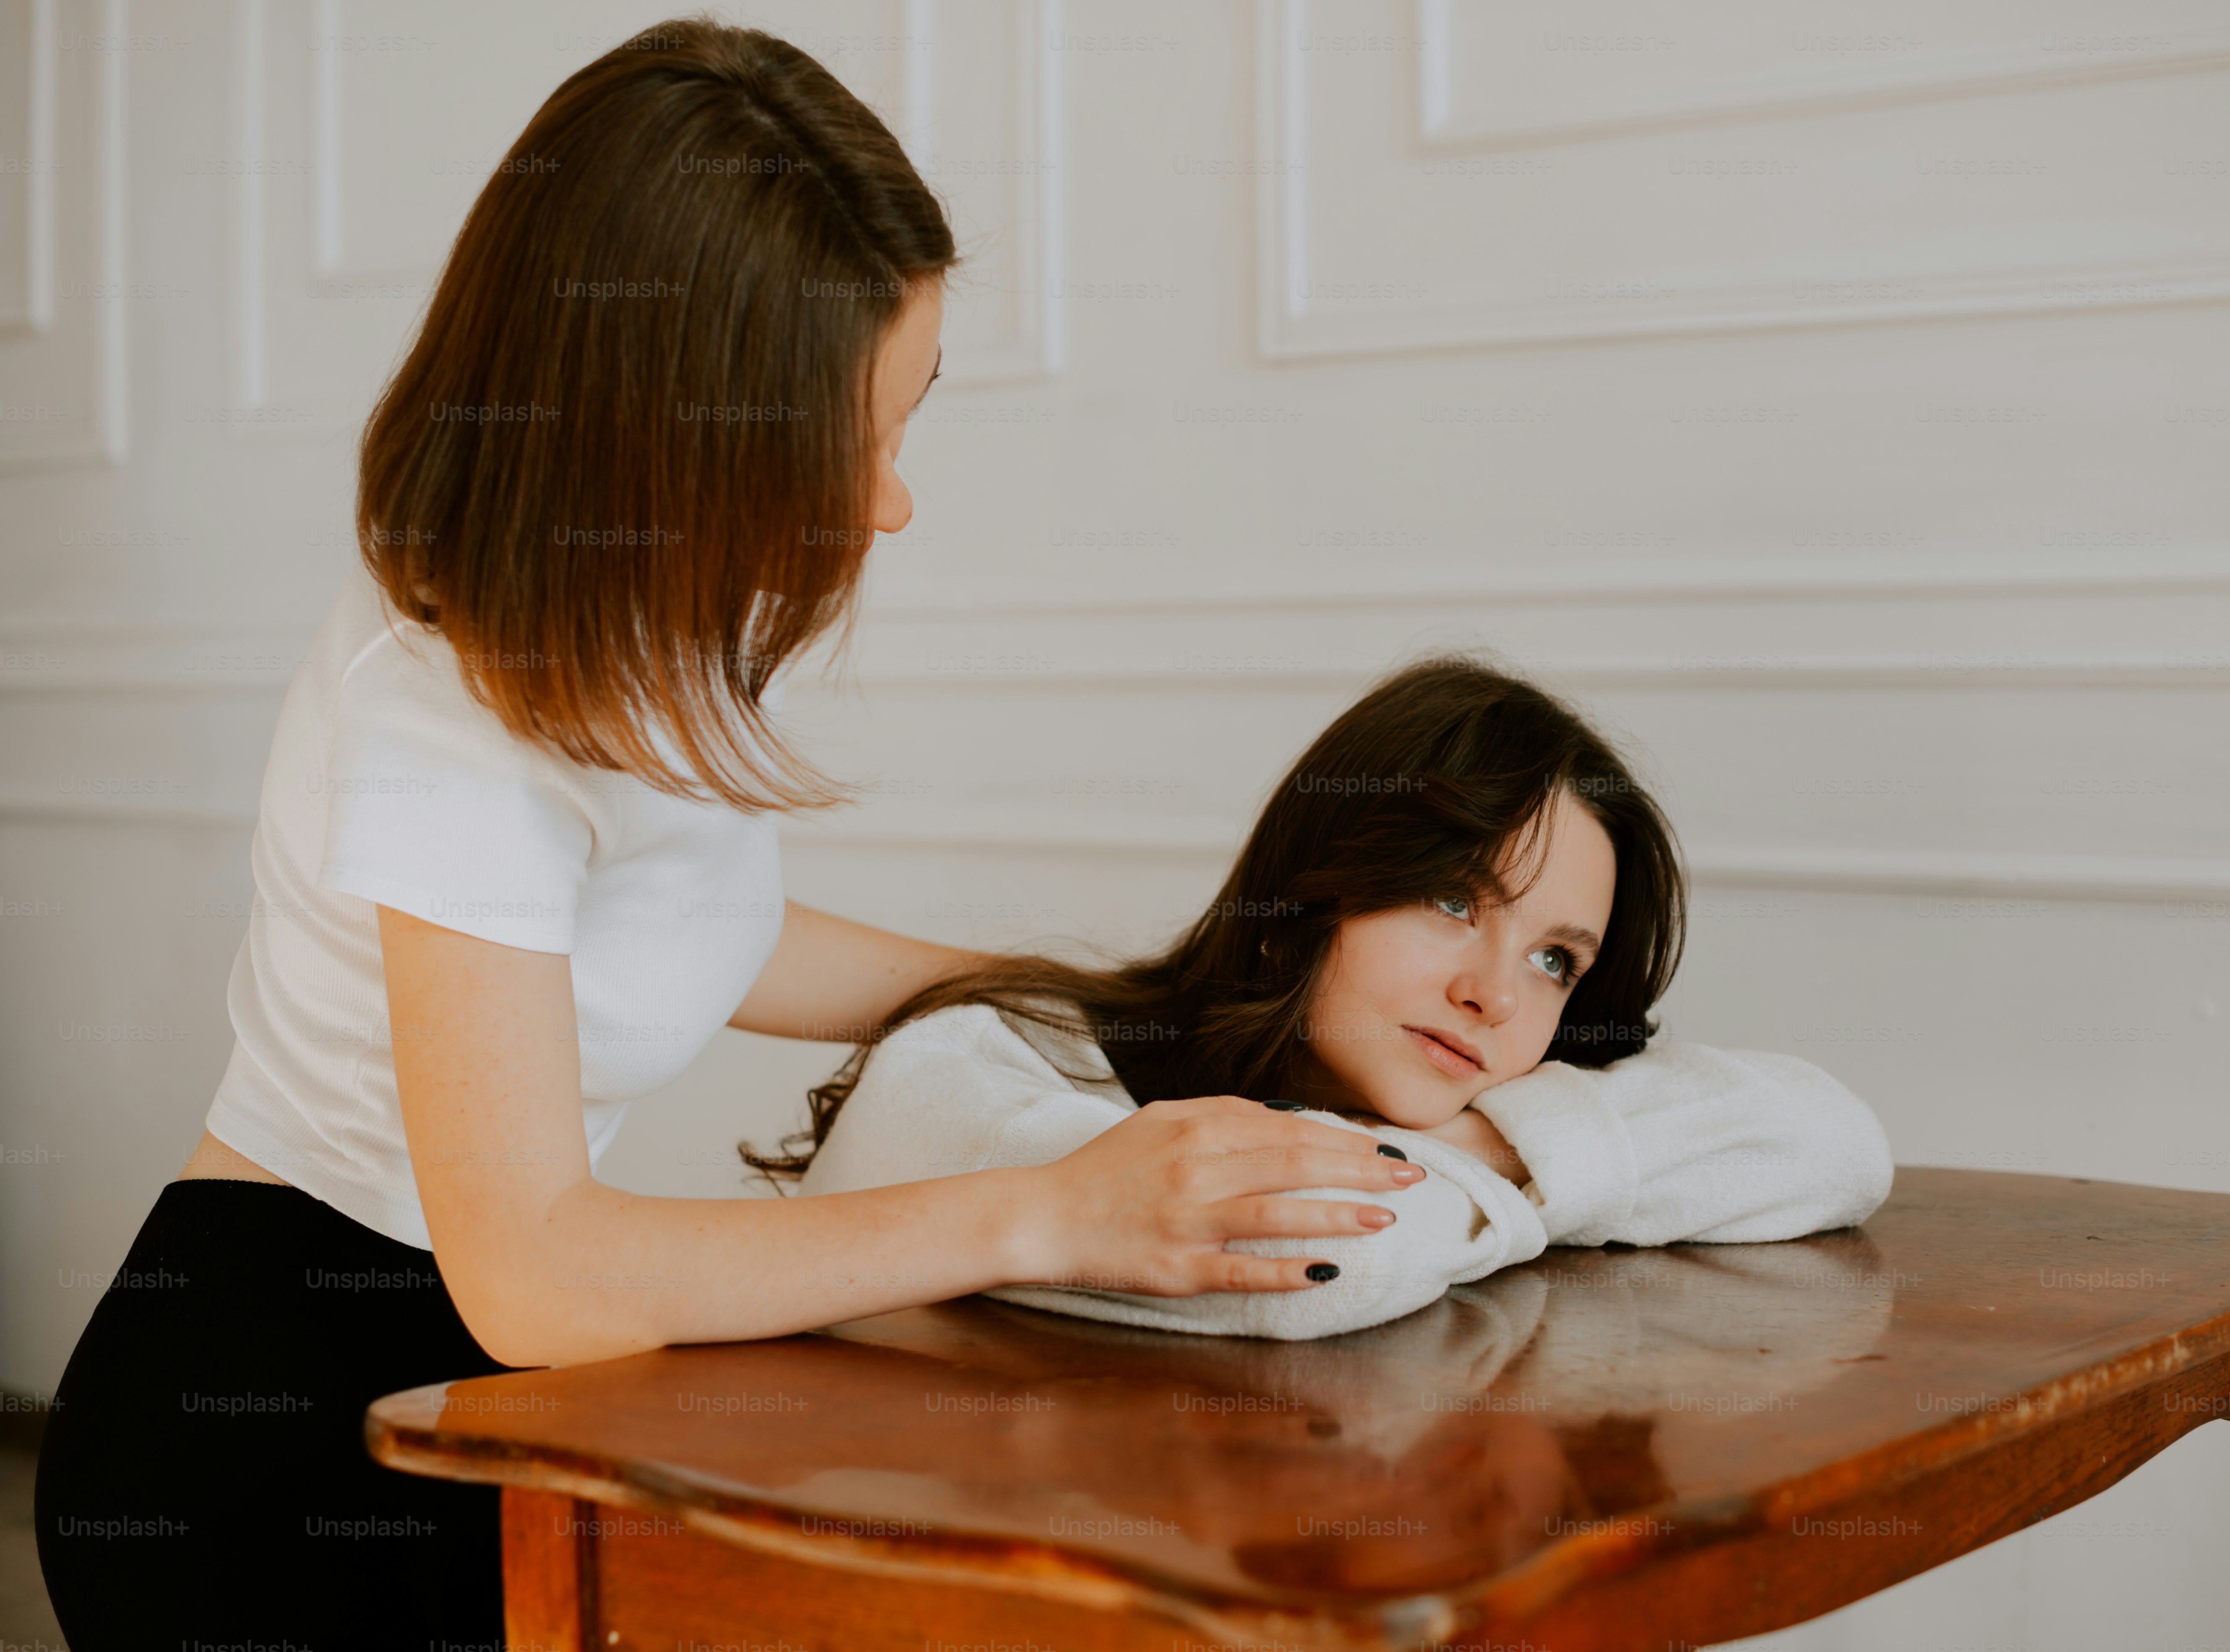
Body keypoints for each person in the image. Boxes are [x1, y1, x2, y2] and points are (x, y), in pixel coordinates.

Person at [34, 21, 1413, 1648]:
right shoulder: (443, 711)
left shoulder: (621, 606)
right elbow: (535, 1268)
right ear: (673, 423)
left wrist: (1109, 1002)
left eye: (913, 418)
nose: (892, 502)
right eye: (854, 442)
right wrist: (1058, 1210)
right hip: (265, 1422)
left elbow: (700, 934)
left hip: (466, 1367)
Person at [769, 658, 1896, 1338]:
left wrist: (1492, 1141)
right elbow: (1329, 1265)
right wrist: (1523, 1161)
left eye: (1557, 960)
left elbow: (1836, 1141)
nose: (1494, 995)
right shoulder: (989, 1060)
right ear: (1321, 883)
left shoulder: (1468, 1118)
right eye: (1453, 901)